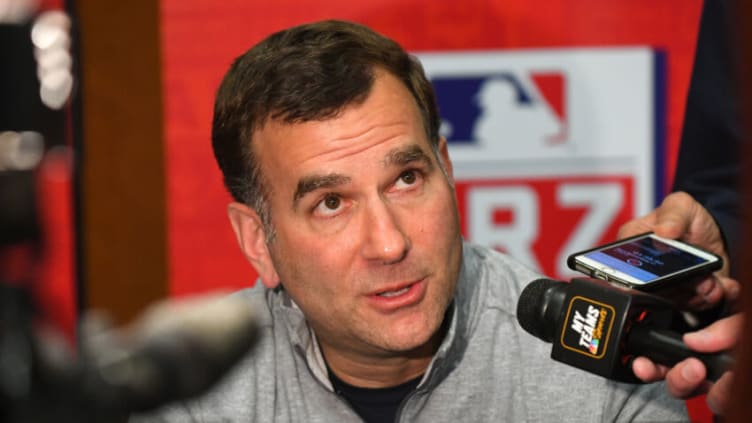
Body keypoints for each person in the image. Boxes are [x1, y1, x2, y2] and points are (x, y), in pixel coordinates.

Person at [132, 20, 687, 422]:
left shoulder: (605, 380)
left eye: (406, 180)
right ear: (258, 240)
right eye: (331, 203)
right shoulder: (195, 391)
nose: (389, 243)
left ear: (446, 171)